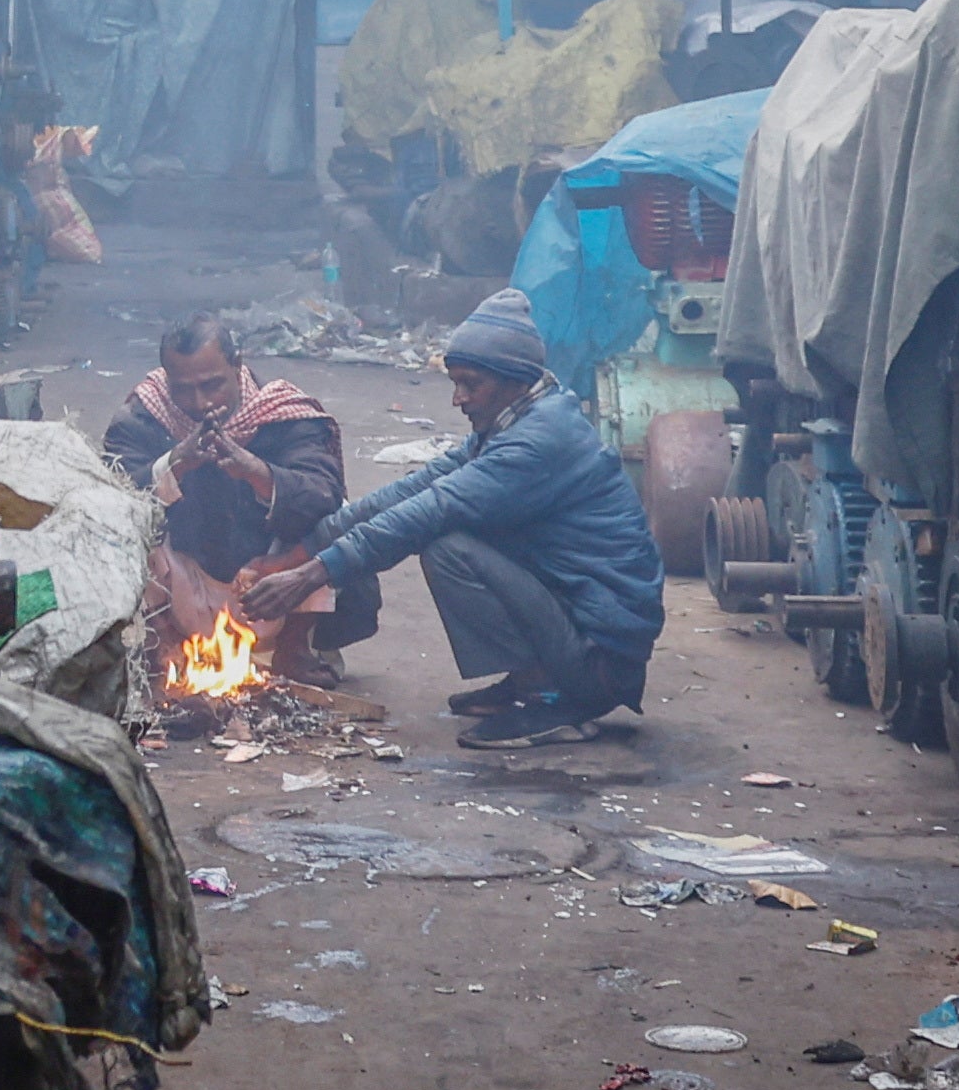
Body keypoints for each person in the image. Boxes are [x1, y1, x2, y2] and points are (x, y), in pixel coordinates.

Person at [236, 287, 661, 746]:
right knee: (440, 527)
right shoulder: (517, 419)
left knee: (448, 547)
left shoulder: (538, 442)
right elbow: (410, 491)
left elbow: (427, 512)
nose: (458, 398)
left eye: (471, 385)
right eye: (455, 383)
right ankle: (532, 681)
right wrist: (301, 555)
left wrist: (309, 575)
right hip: (580, 624)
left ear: (514, 380)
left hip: (602, 656)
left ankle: (554, 698)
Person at [100, 312, 356, 637]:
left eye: (212, 385)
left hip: (267, 584)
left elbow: (324, 495)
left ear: (237, 366)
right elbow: (109, 500)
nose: (200, 402)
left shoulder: (282, 411)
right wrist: (175, 464)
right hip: (181, 587)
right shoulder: (143, 415)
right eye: (183, 389)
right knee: (113, 525)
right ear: (167, 378)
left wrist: (256, 472)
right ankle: (161, 647)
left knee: (336, 519)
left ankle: (297, 647)